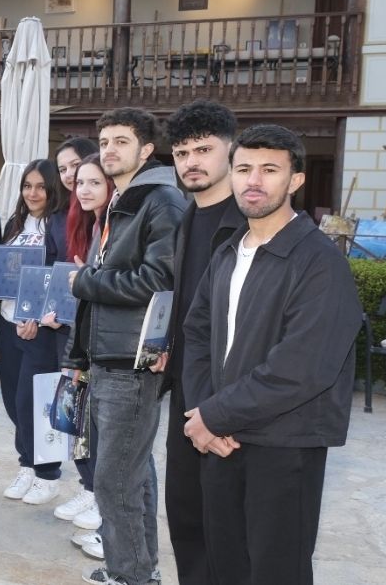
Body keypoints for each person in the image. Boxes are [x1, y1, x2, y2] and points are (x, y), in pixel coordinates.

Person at [182, 125, 360, 585]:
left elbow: (304, 367)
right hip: (222, 441)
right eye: (243, 169)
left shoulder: (320, 262)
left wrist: (214, 415)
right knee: (226, 566)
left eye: (269, 170)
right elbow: (197, 334)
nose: (254, 181)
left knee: (277, 572)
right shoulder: (228, 252)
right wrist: (204, 412)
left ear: (295, 180)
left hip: (285, 445)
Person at [68, 107, 184, 585]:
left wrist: (85, 281)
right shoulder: (126, 199)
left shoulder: (160, 200)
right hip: (111, 355)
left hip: (132, 360)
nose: (109, 150)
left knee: (114, 478)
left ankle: (131, 575)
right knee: (132, 474)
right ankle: (138, 569)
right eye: (104, 142)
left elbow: (159, 280)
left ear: (147, 149)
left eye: (121, 141)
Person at [163, 100, 242, 585]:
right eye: (182, 152)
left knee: (230, 526)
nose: (191, 162)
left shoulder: (250, 222)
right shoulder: (187, 219)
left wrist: (224, 407)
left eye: (204, 150)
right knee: (185, 513)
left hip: (231, 396)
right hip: (185, 388)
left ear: (231, 151)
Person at [0, 159, 69, 504]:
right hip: (9, 322)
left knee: (34, 401)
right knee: (12, 400)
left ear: (53, 190)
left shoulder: (60, 225)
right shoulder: (15, 224)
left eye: (40, 187)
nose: (32, 193)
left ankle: (47, 474)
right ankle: (27, 465)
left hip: (41, 329)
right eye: (27, 186)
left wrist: (36, 315)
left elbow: (59, 277)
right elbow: (4, 270)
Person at [55, 154, 113, 539]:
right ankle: (90, 489)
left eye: (94, 182)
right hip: (86, 341)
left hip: (108, 345)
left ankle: (99, 498)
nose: (84, 189)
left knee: (102, 429)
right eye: (80, 183)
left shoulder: (113, 226)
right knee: (81, 422)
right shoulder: (90, 225)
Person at [55, 137, 99, 208]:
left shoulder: (113, 209)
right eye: (63, 169)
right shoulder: (59, 212)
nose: (68, 174)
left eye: (75, 165)